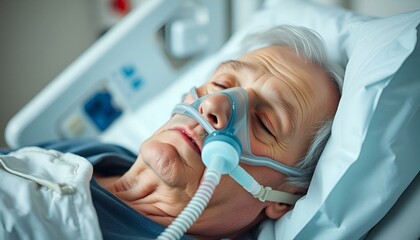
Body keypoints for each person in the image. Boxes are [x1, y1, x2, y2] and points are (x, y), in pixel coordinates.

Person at [1, 25, 343, 239]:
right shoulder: (93, 154)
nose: (215, 106)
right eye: (222, 83)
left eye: (264, 123)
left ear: (283, 197)